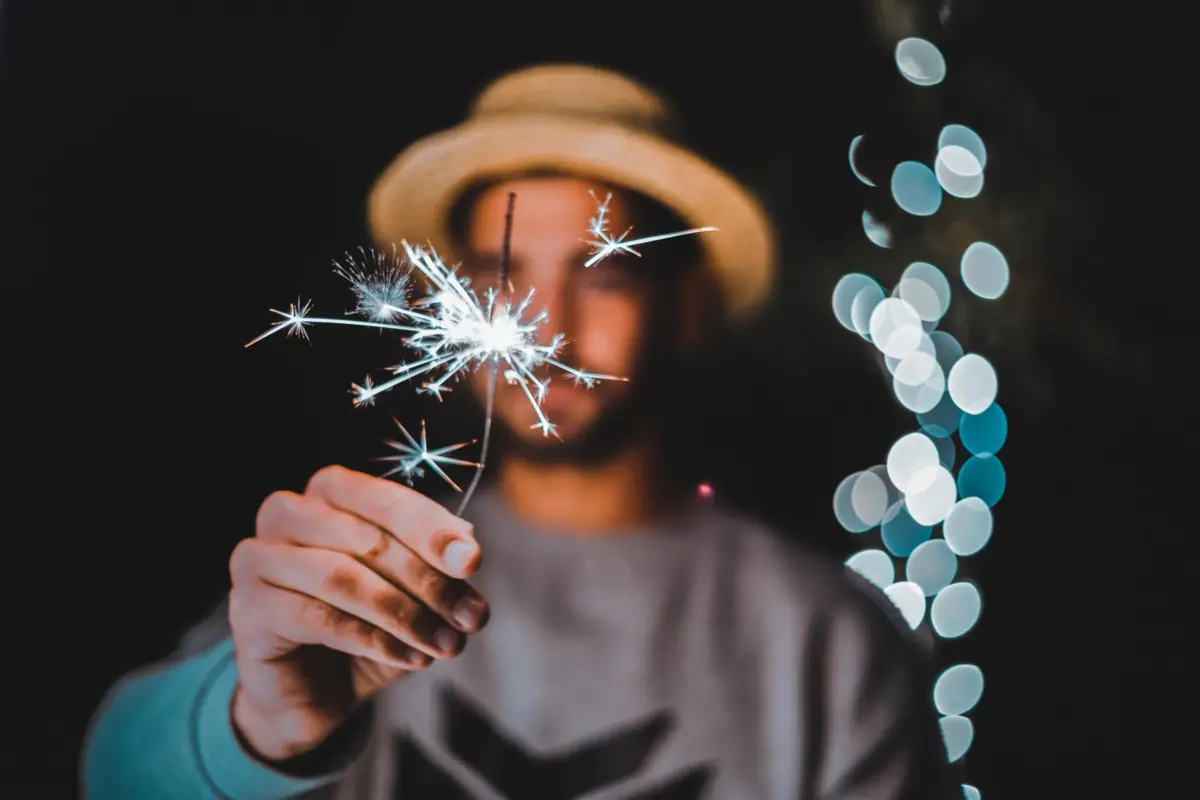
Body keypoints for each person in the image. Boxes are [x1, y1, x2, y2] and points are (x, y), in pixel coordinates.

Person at [82, 64, 959, 799]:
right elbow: (113, 771)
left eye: (604, 273)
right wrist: (263, 727)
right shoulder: (359, 574)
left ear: (684, 305)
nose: (545, 325)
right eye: (502, 274)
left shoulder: (828, 642)